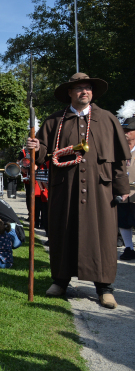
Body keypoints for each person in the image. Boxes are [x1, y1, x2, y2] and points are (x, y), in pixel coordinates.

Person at [26, 73, 131, 309]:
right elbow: (42, 153)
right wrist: (35, 146)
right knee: (63, 233)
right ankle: (61, 281)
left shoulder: (107, 119)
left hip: (100, 190)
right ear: (70, 93)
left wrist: (122, 188)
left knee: (101, 237)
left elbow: (119, 160)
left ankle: (104, 288)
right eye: (79, 88)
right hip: (65, 188)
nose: (85, 91)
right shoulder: (54, 121)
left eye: (88, 88)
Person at [115, 100, 135, 260]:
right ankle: (129, 248)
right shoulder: (118, 150)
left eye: (129, 129)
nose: (125, 132)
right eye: (124, 129)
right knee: (122, 221)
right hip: (122, 191)